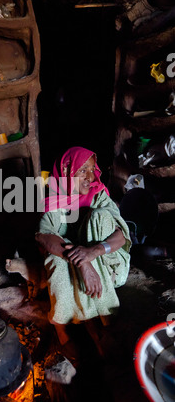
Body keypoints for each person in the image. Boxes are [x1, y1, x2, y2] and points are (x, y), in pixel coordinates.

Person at [35, 147, 131, 364]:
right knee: (55, 258)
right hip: (75, 263)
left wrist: (92, 252)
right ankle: (63, 327)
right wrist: (83, 263)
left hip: (107, 261)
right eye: (83, 171)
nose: (90, 176)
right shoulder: (54, 196)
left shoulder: (98, 192)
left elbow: (121, 236)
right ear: (66, 171)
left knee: (101, 217)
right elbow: (44, 237)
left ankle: (105, 320)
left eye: (92, 169)